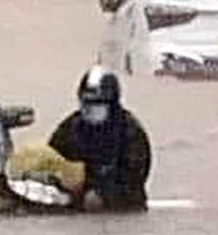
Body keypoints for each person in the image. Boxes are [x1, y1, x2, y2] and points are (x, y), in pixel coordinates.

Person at [48, 66, 151, 212]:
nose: (90, 111)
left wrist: (103, 195)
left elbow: (134, 178)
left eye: (97, 105)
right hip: (73, 199)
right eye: (86, 105)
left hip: (122, 203)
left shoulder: (130, 132)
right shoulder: (70, 127)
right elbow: (52, 157)